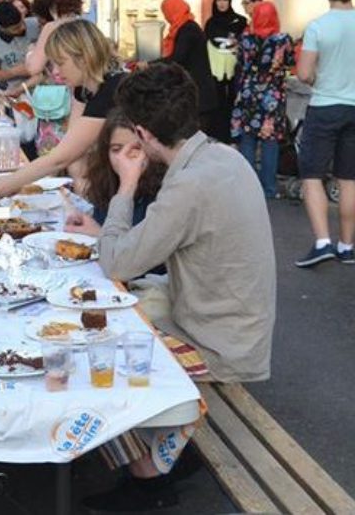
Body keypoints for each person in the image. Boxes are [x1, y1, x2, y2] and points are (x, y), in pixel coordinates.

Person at [85, 62, 275, 511]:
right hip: (233, 325)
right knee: (119, 320)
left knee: (103, 348)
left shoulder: (188, 184)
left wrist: (126, 185)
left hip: (219, 345)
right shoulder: (223, 156)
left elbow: (115, 261)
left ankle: (147, 476)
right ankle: (162, 455)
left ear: (143, 133)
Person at [0, 19, 124, 204]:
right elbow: (69, 150)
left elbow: (61, 158)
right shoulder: (84, 88)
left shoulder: (111, 90)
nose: (55, 72)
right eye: (52, 65)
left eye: (60, 63)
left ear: (84, 57)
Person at [294, 0, 355, 267]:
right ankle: (347, 246)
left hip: (325, 107)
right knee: (349, 178)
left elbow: (304, 73)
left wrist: (321, 79)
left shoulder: (318, 26)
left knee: (312, 175)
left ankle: (322, 243)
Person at [231, 1, 294, 199]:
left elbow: (240, 63)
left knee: (247, 138)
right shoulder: (283, 40)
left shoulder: (246, 39)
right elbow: (291, 62)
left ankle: (250, 187)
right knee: (270, 140)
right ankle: (269, 188)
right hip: (272, 95)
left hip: (249, 92)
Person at [67, 108, 166, 235]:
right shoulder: (106, 182)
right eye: (116, 149)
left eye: (135, 148)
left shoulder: (164, 193)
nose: (123, 158)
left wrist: (99, 233)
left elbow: (147, 249)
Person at [159, 0, 219, 138]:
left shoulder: (188, 29)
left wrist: (149, 64)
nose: (166, 17)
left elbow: (178, 58)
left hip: (200, 96)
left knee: (195, 140)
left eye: (166, 12)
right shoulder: (183, 27)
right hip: (195, 94)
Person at [203, 0, 247, 143]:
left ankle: (235, 134)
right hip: (216, 72)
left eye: (225, 0)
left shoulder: (240, 21)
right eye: (219, 0)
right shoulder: (210, 23)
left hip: (236, 70)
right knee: (218, 102)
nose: (222, 4)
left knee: (234, 100)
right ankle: (219, 135)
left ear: (230, 2)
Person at [25, 0, 83, 77]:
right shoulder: (86, 25)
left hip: (65, 86)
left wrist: (30, 51)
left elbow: (34, 68)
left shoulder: (52, 28)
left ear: (52, 4)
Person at [0, 1, 34, 96]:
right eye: (16, 28)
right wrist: (15, 71)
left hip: (41, 89)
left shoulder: (35, 25)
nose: (22, 28)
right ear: (2, 28)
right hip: (14, 93)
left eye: (22, 23)